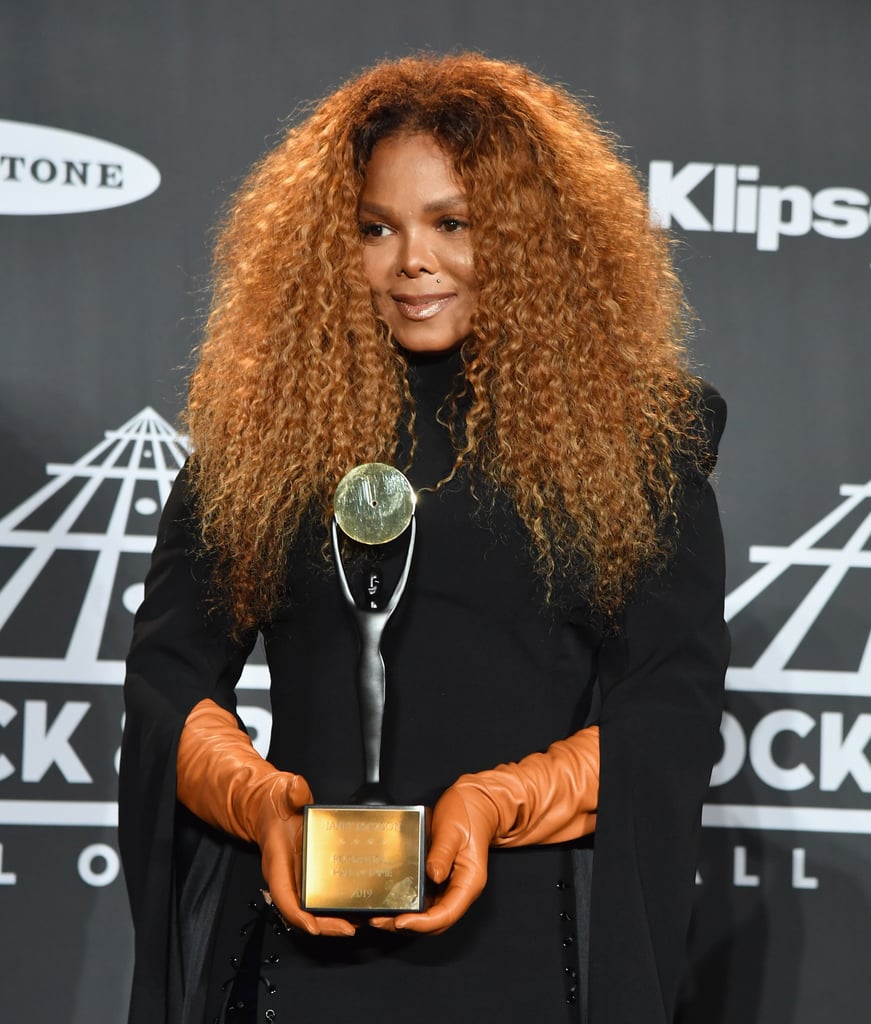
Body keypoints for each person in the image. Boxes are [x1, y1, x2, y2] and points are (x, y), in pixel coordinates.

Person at [120, 53, 729, 1024]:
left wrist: (496, 801)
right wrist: (263, 805)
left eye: (453, 224)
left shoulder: (634, 443)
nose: (413, 261)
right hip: (295, 946)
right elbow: (168, 683)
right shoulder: (262, 437)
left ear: (530, 240)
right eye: (375, 227)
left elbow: (669, 705)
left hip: (535, 952)